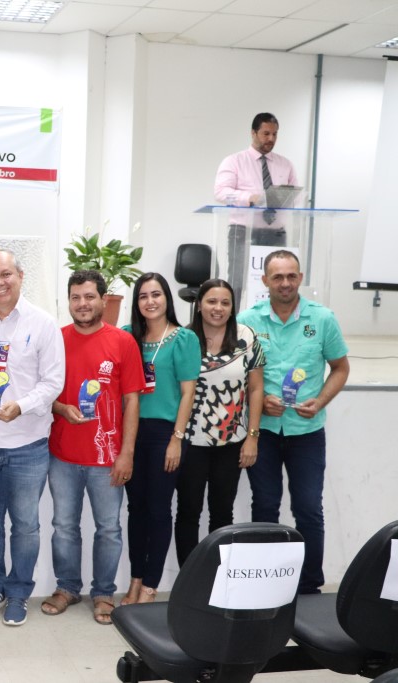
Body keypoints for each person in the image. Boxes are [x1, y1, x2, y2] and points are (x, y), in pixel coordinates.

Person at [0, 249, 64, 627]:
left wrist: (20, 406)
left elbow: (53, 382)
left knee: (25, 525)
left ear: (20, 276)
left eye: (6, 274)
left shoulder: (44, 324)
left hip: (27, 444)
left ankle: (19, 592)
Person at [237, 250, 349, 594]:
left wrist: (321, 401)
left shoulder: (323, 319)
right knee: (265, 506)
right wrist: (257, 401)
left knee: (308, 509)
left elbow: (340, 368)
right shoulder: (247, 320)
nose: (285, 283)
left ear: (300, 278)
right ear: (265, 281)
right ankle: (265, 584)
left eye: (291, 276)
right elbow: (235, 375)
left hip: (307, 432)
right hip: (264, 432)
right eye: (278, 277)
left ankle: (310, 585)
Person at [43, 270, 143, 626]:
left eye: (89, 296)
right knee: (64, 526)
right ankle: (67, 587)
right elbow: (43, 393)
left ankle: (103, 593)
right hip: (62, 455)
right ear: (68, 301)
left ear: (103, 299)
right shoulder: (56, 340)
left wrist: (126, 453)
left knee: (109, 528)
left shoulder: (123, 342)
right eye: (76, 297)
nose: (82, 304)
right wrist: (60, 408)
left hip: (107, 458)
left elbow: (132, 401)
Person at [120, 273, 199, 605]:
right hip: (132, 432)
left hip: (165, 434)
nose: (150, 301)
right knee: (136, 509)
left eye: (156, 294)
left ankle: (150, 586)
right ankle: (135, 579)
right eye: (143, 296)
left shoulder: (184, 338)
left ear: (167, 298)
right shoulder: (128, 336)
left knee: (158, 509)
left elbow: (188, 393)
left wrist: (176, 439)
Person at [175, 279, 265, 564]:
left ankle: (218, 577)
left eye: (225, 303)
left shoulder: (247, 337)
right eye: (212, 301)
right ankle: (189, 579)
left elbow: (256, 389)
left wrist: (252, 437)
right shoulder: (184, 338)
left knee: (223, 514)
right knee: (188, 513)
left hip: (231, 442)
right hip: (191, 443)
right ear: (199, 305)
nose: (218, 308)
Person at [214, 112, 299, 293]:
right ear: (253, 133)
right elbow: (221, 192)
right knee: (237, 282)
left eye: (275, 134)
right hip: (243, 231)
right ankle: (236, 313)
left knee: (277, 282)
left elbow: (296, 198)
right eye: (266, 133)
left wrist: (286, 197)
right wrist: (248, 198)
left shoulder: (286, 164)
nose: (271, 139)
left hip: (276, 233)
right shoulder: (234, 161)